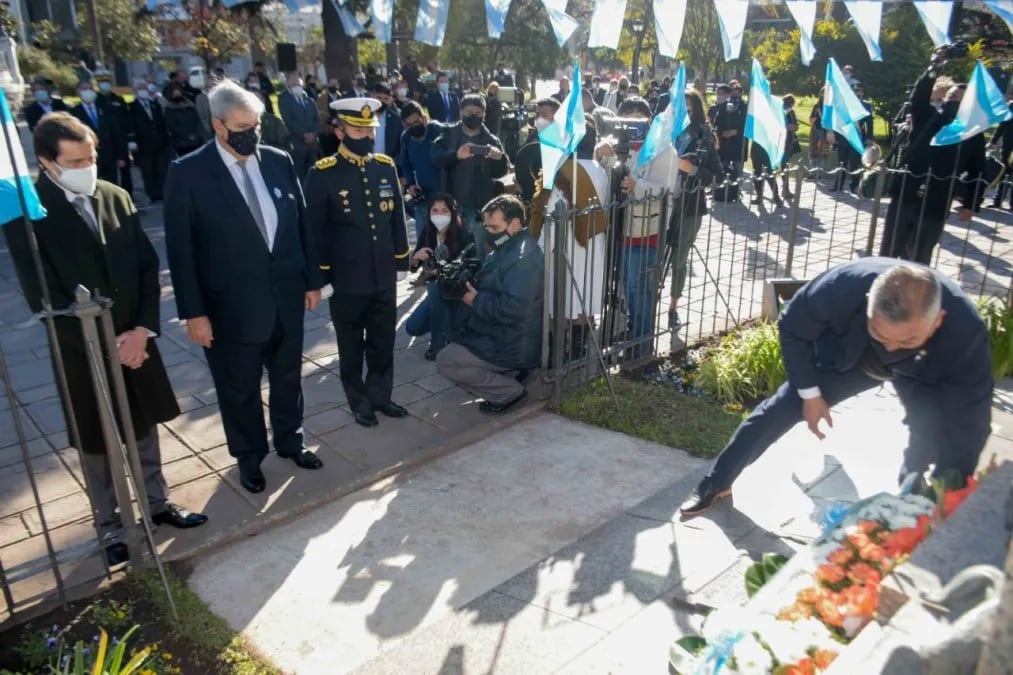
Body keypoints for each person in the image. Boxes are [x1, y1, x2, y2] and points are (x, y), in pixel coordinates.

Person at [3, 113, 208, 565]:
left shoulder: (115, 196)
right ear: (47, 162)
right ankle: (111, 526)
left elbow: (146, 269)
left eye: (91, 157)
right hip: (80, 349)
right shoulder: (28, 213)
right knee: (96, 438)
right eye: (75, 160)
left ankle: (157, 504)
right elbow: (44, 295)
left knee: (143, 425)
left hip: (135, 340)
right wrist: (103, 343)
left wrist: (140, 332)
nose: (87, 167)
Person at [680, 259, 994, 517]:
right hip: (852, 357)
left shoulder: (964, 334)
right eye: (882, 333)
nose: (893, 348)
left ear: (938, 320)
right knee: (780, 408)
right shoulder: (841, 286)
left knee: (928, 426)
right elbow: (793, 327)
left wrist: (950, 494)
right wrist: (811, 394)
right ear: (868, 300)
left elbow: (970, 423)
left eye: (905, 340)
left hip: (925, 367)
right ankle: (717, 482)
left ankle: (914, 493)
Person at [164, 80, 325, 494]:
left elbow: (300, 227)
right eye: (242, 125)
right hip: (229, 309)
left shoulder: (278, 160)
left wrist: (311, 282)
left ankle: (291, 440)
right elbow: (181, 252)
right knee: (240, 388)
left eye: (255, 123)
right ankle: (249, 458)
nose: (252, 132)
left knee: (288, 376)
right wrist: (193, 312)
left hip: (286, 296)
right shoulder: (188, 174)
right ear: (218, 125)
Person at [304, 97, 411, 429]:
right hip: (347, 278)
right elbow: (313, 231)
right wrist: (319, 276)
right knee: (351, 345)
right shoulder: (322, 174)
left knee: (382, 342)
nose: (364, 136)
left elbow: (396, 218)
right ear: (340, 132)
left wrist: (401, 258)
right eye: (357, 129)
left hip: (382, 274)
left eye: (369, 130)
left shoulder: (384, 166)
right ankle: (359, 401)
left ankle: (381, 396)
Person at [436, 195, 543, 413]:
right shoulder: (511, 245)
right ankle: (510, 373)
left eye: (494, 227)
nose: (488, 232)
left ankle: (508, 392)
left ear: (514, 224)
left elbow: (515, 309)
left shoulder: (524, 258)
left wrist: (474, 299)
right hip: (502, 333)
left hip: (513, 341)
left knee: (446, 360)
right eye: (486, 226)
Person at [881, 48, 984, 264]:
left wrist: (970, 203)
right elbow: (919, 96)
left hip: (936, 202)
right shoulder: (927, 118)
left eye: (960, 100)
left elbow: (978, 169)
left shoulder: (972, 133)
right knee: (889, 253)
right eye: (951, 96)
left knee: (918, 260)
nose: (953, 102)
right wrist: (934, 67)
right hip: (907, 194)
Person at [597, 97, 678, 355]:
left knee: (640, 288)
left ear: (649, 120)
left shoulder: (664, 150)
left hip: (646, 232)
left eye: (637, 120)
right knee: (627, 285)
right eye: (625, 119)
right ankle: (634, 331)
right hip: (621, 228)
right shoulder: (621, 146)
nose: (631, 126)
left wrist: (637, 187)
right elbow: (611, 180)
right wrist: (602, 156)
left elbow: (666, 192)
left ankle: (642, 342)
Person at [527, 120, 609, 360]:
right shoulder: (597, 167)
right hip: (592, 240)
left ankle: (556, 352)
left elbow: (552, 213)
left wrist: (539, 248)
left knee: (560, 299)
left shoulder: (564, 171)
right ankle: (578, 348)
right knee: (583, 294)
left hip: (565, 244)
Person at [667, 89, 724, 331]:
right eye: (682, 108)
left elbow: (717, 177)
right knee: (652, 260)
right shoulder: (665, 131)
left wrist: (692, 170)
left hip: (689, 206)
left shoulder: (704, 136)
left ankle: (672, 307)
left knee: (679, 260)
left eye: (689, 108)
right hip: (659, 203)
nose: (685, 113)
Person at [432, 93, 509, 258]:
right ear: (460, 112)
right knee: (449, 253)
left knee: (478, 253)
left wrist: (498, 158)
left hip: (479, 210)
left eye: (477, 113)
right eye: (468, 112)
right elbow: (436, 158)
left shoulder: (491, 140)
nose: (472, 116)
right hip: (451, 207)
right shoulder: (448, 133)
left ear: (484, 114)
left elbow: (502, 171)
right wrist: (456, 155)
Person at [405, 194, 476, 359]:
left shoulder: (463, 234)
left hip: (457, 292)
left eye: (444, 211)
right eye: (435, 210)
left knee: (433, 287)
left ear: (452, 213)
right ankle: (444, 322)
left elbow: (471, 267)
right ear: (429, 213)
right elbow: (414, 268)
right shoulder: (427, 232)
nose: (439, 215)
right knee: (413, 328)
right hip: (436, 293)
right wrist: (416, 257)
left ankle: (438, 344)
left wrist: (445, 272)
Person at [399, 101, 444, 241]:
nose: (413, 127)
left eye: (416, 122)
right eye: (409, 125)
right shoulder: (406, 138)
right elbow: (405, 164)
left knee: (447, 242)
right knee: (423, 242)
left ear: (424, 118)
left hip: (445, 196)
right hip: (423, 198)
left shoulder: (440, 131)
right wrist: (411, 184)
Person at [70, 80, 127, 185]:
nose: (88, 91)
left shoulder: (107, 108)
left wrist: (121, 156)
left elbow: (117, 133)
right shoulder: (73, 113)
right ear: (78, 92)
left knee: (111, 184)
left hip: (109, 155)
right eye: (84, 89)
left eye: (91, 89)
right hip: (88, 157)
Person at [128, 79, 170, 203]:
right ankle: (152, 194)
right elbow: (130, 125)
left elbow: (161, 124)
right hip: (143, 145)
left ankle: (162, 192)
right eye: (141, 88)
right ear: (136, 90)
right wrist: (131, 141)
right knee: (148, 171)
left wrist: (165, 141)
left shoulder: (154, 104)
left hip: (159, 144)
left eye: (145, 88)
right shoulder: (132, 107)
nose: (143, 90)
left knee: (161, 169)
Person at [832, 82, 873, 193]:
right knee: (841, 163)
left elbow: (869, 122)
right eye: (854, 91)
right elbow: (838, 121)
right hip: (844, 136)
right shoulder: (844, 104)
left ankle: (854, 186)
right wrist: (835, 137)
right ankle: (838, 185)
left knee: (855, 163)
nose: (856, 92)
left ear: (862, 92)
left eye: (859, 90)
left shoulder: (866, 105)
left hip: (857, 137)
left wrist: (869, 137)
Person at [278, 73, 320, 178]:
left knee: (313, 172)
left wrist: (313, 134)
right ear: (288, 85)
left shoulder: (309, 100)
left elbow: (317, 119)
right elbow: (288, 121)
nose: (297, 86)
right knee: (300, 174)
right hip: (298, 144)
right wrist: (304, 134)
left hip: (312, 144)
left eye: (298, 84)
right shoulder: (284, 99)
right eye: (294, 84)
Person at [163, 83, 207, 158]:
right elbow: (172, 127)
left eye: (178, 92)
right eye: (174, 93)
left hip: (197, 142)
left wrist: (196, 135)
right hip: (181, 145)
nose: (177, 95)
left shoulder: (190, 105)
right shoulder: (169, 110)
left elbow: (198, 121)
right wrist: (188, 136)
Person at [370, 82, 403, 166]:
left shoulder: (396, 120)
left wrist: (394, 162)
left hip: (388, 166)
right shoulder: (361, 117)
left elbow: (401, 147)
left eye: (386, 99)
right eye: (379, 97)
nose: (382, 101)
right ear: (372, 96)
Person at [781, 94, 800, 199]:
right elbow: (793, 126)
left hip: (785, 141)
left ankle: (785, 188)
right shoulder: (789, 112)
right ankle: (785, 189)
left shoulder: (783, 112)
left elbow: (794, 126)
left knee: (784, 165)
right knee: (784, 165)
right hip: (786, 142)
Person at [318, 76, 343, 157]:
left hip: (340, 134)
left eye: (335, 84)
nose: (333, 86)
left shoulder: (342, 97)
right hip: (327, 134)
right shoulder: (321, 97)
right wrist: (331, 119)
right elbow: (319, 113)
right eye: (331, 84)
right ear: (328, 84)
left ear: (338, 85)